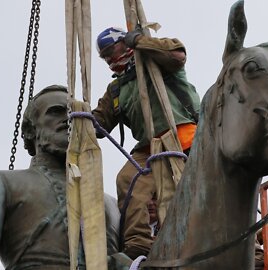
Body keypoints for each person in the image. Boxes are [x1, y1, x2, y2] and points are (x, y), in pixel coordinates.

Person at [0, 85, 121, 270]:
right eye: (55, 112)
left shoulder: (113, 205)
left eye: (73, 112)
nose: (68, 118)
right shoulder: (2, 183)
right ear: (30, 130)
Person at [92, 26, 200, 259]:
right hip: (150, 146)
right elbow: (100, 122)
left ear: (124, 43)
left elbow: (177, 55)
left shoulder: (155, 61)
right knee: (128, 178)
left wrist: (141, 42)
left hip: (184, 136)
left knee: (209, 187)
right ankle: (139, 241)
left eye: (112, 50)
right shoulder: (118, 87)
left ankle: (251, 247)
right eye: (105, 56)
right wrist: (82, 120)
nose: (110, 58)